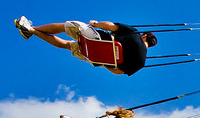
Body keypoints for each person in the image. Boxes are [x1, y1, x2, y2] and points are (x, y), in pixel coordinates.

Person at [14, 17, 155, 76]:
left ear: (144, 36)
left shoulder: (135, 34)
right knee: (67, 46)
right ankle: (31, 32)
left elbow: (110, 26)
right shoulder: (140, 63)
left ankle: (31, 27)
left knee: (66, 27)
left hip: (95, 39)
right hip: (94, 57)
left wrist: (95, 24)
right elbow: (117, 72)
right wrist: (103, 61)